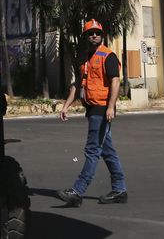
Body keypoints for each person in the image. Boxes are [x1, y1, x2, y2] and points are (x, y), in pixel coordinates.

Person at [57, 19, 126, 207]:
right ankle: (120, 189)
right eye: (90, 33)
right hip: (92, 109)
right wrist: (66, 106)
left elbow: (115, 82)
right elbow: (78, 84)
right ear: (86, 36)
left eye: (96, 32)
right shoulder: (86, 58)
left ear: (101, 35)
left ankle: (78, 191)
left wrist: (111, 106)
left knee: (92, 150)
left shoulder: (108, 56)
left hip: (102, 109)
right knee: (106, 150)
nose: (94, 35)